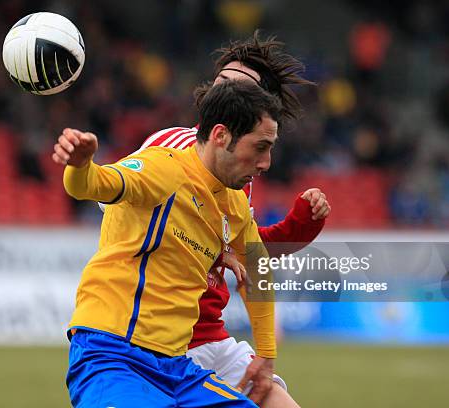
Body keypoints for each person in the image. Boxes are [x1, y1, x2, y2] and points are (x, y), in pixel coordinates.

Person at [122, 32, 331, 407]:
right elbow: (118, 210)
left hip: (213, 338)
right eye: (219, 82)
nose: (221, 91)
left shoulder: (237, 174)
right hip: (159, 343)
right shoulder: (171, 146)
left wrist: (298, 227)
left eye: (235, 87)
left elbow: (250, 255)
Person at [53, 80, 282, 407]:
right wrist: (80, 165)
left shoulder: (234, 204)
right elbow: (93, 185)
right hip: (113, 357)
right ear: (220, 136)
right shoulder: (164, 167)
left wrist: (266, 354)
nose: (266, 162)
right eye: (260, 147)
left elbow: (257, 266)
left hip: (176, 368)